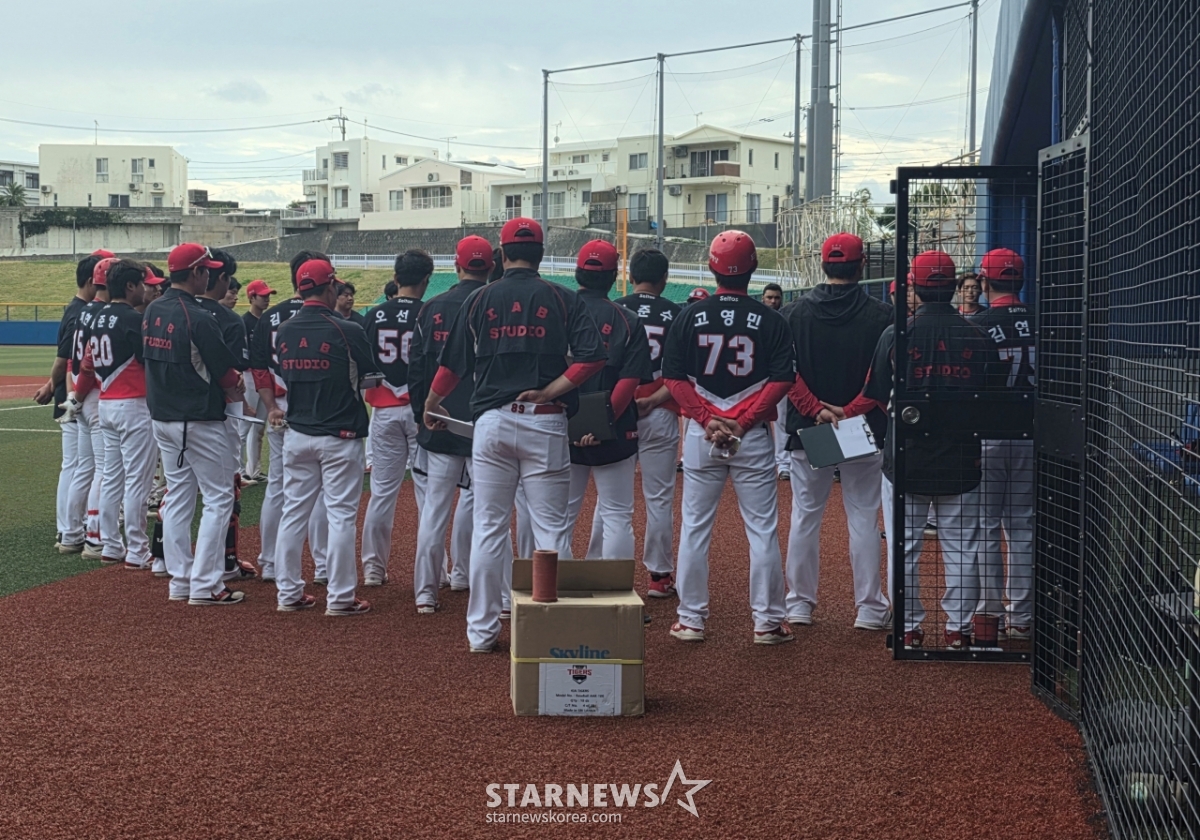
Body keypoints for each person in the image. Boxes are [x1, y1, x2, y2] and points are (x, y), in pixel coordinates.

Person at [425, 217, 606, 653]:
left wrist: (431, 403)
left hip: (492, 422)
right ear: (541, 255)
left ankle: (481, 633)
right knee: (551, 531)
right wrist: (550, 391)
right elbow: (591, 359)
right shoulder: (562, 297)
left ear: (501, 254)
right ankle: (556, 631)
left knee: (489, 527)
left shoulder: (480, 297)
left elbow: (451, 367)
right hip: (545, 419)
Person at [660, 231, 795, 645]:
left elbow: (673, 378)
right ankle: (767, 622)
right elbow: (782, 379)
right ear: (753, 267)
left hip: (703, 434)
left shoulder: (689, 315)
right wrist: (744, 420)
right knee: (762, 530)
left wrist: (707, 419)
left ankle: (691, 620)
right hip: (750, 436)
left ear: (711, 267)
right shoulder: (772, 318)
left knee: (695, 528)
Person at [861, 250, 999, 650]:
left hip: (906, 455)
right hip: (961, 453)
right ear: (954, 286)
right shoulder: (977, 334)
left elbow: (876, 394)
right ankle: (958, 629)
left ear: (914, 287)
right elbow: (992, 395)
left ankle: (907, 628)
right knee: (962, 548)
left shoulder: (896, 333)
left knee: (903, 547)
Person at [780, 233, 893, 630]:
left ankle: (799, 604)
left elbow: (785, 374)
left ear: (823, 263)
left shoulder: (792, 313)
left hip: (810, 426)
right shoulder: (883, 314)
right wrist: (849, 410)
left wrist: (816, 409)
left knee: (805, 517)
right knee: (863, 518)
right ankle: (869, 609)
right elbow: (881, 377)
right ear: (862, 266)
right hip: (861, 425)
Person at [270, 259, 380, 616]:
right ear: (330, 287)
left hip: (298, 432)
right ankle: (341, 597)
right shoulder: (347, 328)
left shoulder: (285, 329)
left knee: (293, 514)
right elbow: (371, 375)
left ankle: (288, 593)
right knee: (341, 517)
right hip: (339, 433)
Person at [142, 243, 245, 605]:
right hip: (198, 417)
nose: (210, 276)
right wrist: (236, 387)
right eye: (207, 270)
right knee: (218, 498)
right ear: (197, 272)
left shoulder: (153, 308)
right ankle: (206, 584)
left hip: (163, 416)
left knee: (178, 495)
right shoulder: (199, 316)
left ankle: (181, 579)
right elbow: (225, 374)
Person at [408, 235, 490, 601]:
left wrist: (421, 413)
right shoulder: (494, 303)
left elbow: (416, 368)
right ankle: (466, 578)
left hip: (439, 418)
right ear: (490, 266)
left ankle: (426, 593)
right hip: (481, 420)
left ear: (456, 266)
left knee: (434, 509)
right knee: (481, 506)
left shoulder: (431, 307)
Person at [564, 240, 653, 560]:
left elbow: (546, 374)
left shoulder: (560, 312)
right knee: (617, 516)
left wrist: (573, 426)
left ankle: (551, 589)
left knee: (559, 519)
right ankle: (615, 590)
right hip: (614, 428)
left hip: (562, 425)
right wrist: (600, 425)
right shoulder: (627, 318)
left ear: (577, 272)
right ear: (614, 276)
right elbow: (629, 382)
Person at [249, 250, 331, 583]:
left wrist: (270, 407)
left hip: (280, 409)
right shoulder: (327, 316)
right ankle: (323, 566)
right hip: (317, 412)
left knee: (278, 488)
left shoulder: (270, 317)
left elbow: (258, 368)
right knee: (323, 491)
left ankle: (270, 562)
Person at [71, 259, 157, 570]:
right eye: (142, 284)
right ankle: (137, 550)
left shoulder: (96, 316)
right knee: (137, 481)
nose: (145, 289)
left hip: (106, 402)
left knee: (111, 476)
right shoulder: (134, 319)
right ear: (130, 286)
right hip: (133, 404)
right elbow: (149, 361)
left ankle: (110, 543)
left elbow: (87, 364)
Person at [972, 249, 1035, 640]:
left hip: (988, 434)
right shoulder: (1043, 322)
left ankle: (988, 616)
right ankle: (1022, 617)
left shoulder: (979, 324)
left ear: (984, 281)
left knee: (985, 525)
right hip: (1033, 433)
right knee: (1023, 526)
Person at [360, 249, 432, 592]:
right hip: (422, 411)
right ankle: (435, 573)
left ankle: (373, 569)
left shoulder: (374, 314)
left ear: (395, 277)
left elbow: (362, 365)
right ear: (426, 280)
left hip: (384, 409)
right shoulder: (429, 312)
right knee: (428, 496)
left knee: (382, 494)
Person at [615, 247, 682, 597]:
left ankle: (604, 570)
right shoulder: (677, 313)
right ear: (664, 279)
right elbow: (683, 371)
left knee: (613, 500)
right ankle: (659, 576)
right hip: (660, 410)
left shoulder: (616, 308)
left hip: (619, 410)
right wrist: (654, 399)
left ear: (630, 275)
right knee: (659, 497)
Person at [33, 250, 109, 551]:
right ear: (93, 280)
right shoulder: (82, 312)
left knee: (78, 466)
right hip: (76, 396)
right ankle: (69, 528)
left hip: (73, 394)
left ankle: (70, 529)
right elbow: (64, 359)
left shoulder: (79, 309)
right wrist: (54, 387)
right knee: (78, 466)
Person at [197, 249, 256, 581]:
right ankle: (226, 562)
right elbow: (235, 373)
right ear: (219, 278)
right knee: (225, 491)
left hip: (171, 410)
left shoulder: (167, 310)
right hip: (220, 410)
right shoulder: (229, 319)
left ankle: (166, 561)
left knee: (177, 492)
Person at [63, 256, 116, 560]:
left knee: (84, 468)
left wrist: (73, 394)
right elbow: (88, 362)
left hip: (80, 392)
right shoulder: (103, 314)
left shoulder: (83, 311)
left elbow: (74, 359)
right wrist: (81, 393)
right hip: (94, 393)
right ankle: (95, 538)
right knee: (103, 468)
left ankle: (71, 534)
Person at [239, 279, 276, 483]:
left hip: (265, 374)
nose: (267, 299)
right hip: (249, 375)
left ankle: (253, 470)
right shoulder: (244, 322)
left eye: (268, 295)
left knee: (259, 426)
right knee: (244, 425)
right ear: (252, 297)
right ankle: (237, 471)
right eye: (263, 296)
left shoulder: (268, 320)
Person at [761, 282, 791, 480]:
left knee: (781, 419)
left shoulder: (785, 320)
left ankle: (783, 464)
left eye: (776, 298)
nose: (773, 301)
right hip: (756, 378)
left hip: (778, 376)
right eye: (769, 297)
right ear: (763, 298)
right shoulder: (756, 318)